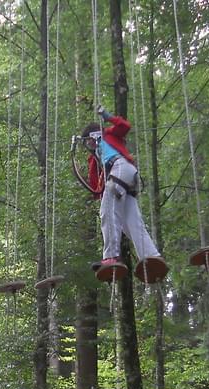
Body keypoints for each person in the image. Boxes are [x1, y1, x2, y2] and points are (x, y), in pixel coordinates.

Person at [82, 105, 168, 283]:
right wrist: (96, 193)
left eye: (88, 141)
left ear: (93, 136)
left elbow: (124, 126)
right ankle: (151, 256)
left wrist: (107, 117)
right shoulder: (95, 156)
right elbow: (94, 179)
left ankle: (111, 256)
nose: (88, 146)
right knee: (131, 224)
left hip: (121, 168)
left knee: (107, 211)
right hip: (125, 176)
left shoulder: (108, 136)